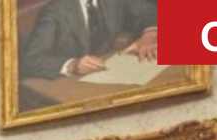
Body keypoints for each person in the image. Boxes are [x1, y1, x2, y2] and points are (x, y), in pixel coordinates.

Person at [19, 0, 159, 81]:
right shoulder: (56, 11)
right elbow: (29, 61)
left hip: (112, 70)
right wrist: (72, 65)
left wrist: (150, 34)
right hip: (70, 84)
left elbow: (149, 10)